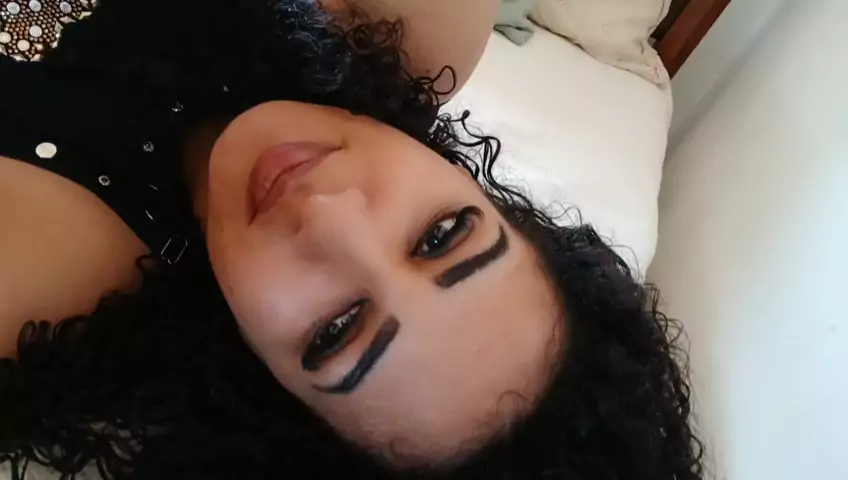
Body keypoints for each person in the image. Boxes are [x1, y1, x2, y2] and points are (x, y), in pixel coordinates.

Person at [0, 0, 704, 478]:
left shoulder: (36, 275)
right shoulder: (412, 29)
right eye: (442, 235)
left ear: (262, 394)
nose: (330, 215)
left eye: (335, 331)